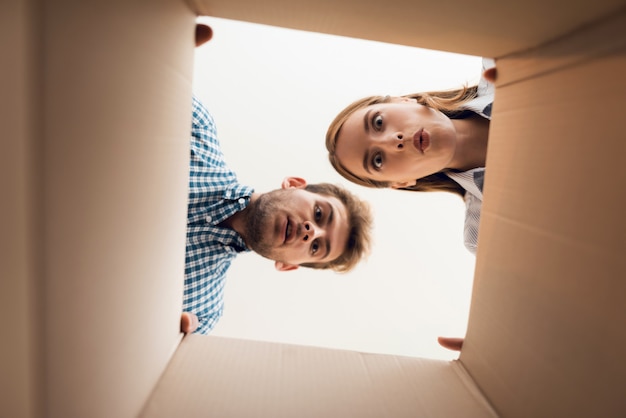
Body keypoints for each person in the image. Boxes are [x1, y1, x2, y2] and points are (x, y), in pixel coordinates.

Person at [325, 59, 496, 350]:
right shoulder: (486, 234)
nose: (395, 140)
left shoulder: (502, 61)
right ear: (403, 182)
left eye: (378, 122)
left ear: (403, 101)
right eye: (378, 160)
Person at [180, 95, 373, 334]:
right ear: (294, 183)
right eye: (319, 213)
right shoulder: (195, 129)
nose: (311, 232)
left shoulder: (201, 312)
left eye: (316, 248)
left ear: (288, 265)